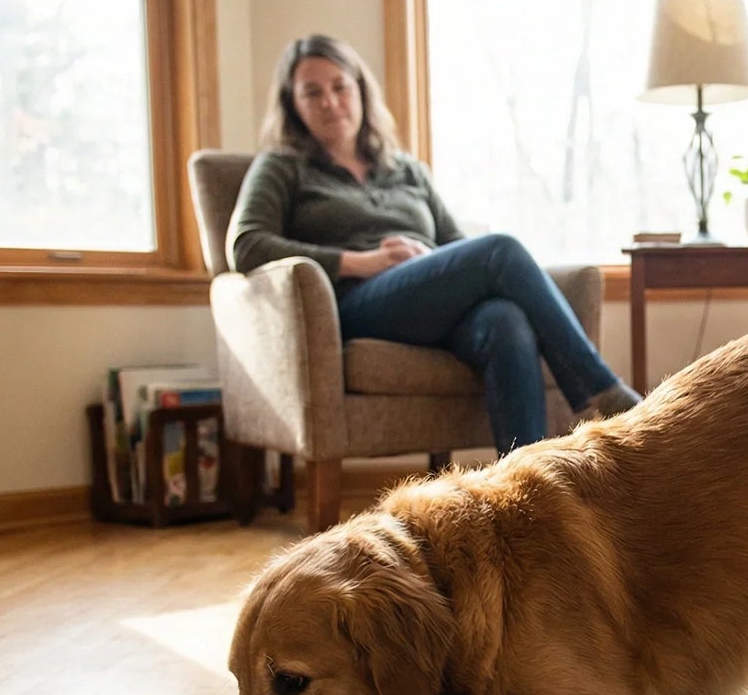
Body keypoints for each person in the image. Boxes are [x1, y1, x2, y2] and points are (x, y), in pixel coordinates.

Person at [228, 34, 639, 454]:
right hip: (355, 305)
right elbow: (247, 244)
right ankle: (601, 391)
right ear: (292, 104)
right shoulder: (282, 166)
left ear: (360, 90)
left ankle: (527, 488)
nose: (330, 102)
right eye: (312, 92)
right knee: (500, 249)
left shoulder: (405, 168)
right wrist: (359, 261)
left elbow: (456, 244)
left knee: (505, 320)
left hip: (427, 303)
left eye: (340, 86)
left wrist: (436, 265)